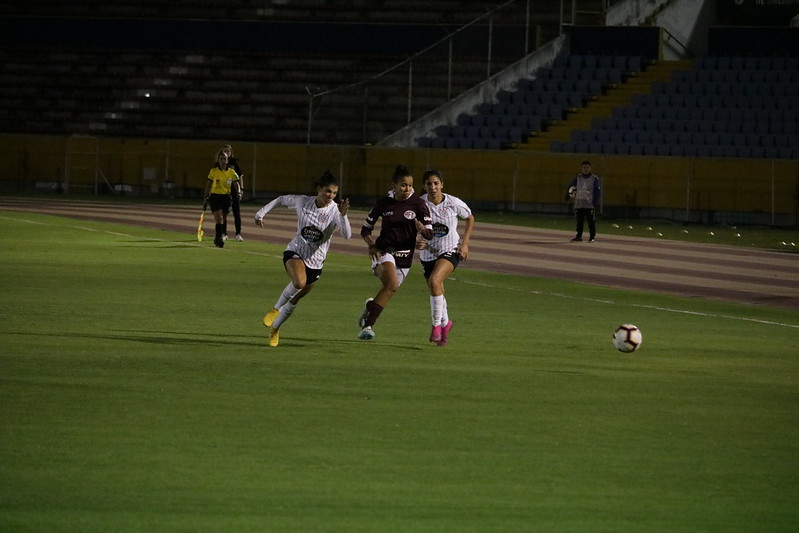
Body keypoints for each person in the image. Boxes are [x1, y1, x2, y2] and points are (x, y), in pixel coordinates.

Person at [255, 171, 351, 347]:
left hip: (316, 263)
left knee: (295, 299)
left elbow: (347, 235)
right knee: (299, 282)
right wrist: (260, 214)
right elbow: (280, 199)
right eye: (328, 191)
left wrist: (343, 216)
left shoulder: (336, 211)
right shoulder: (302, 201)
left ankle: (275, 329)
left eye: (334, 193)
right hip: (295, 252)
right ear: (318, 189)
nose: (331, 196)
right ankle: (275, 309)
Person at [357, 164, 433, 341]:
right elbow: (365, 230)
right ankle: (368, 327)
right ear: (394, 185)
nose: (407, 189)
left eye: (410, 185)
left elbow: (429, 234)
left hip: (405, 257)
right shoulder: (383, 204)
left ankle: (370, 307)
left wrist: (422, 230)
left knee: (390, 288)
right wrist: (371, 244)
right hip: (384, 252)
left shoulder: (419, 204)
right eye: (403, 185)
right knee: (391, 284)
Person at [416, 169, 474, 347]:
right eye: (428, 184)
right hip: (428, 253)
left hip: (450, 249)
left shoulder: (452, 202)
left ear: (442, 185)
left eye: (436, 183)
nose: (432, 187)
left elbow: (470, 218)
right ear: (424, 186)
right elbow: (412, 226)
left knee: (435, 280)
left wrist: (465, 243)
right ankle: (445, 324)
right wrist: (417, 241)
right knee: (437, 289)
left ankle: (435, 327)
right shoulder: (419, 204)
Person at [203, 150, 240, 248]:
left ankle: (218, 237)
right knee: (218, 219)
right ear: (218, 160)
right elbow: (208, 184)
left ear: (227, 160)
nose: (222, 160)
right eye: (221, 158)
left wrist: (239, 192)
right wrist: (206, 197)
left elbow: (236, 183)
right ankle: (218, 238)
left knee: (223, 218)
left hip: (226, 197)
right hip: (215, 196)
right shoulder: (213, 171)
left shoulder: (231, 172)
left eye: (224, 159)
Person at [567, 160, 601, 242]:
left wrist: (595, 202)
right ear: (582, 168)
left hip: (589, 204)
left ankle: (592, 237)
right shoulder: (578, 178)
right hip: (579, 203)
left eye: (587, 167)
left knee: (591, 222)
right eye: (584, 167)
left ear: (590, 168)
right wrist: (568, 196)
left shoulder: (594, 178)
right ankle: (579, 236)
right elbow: (572, 187)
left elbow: (597, 191)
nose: (585, 169)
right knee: (579, 221)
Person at [221, 144, 245, 242]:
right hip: (223, 191)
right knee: (224, 213)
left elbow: (240, 176)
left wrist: (241, 189)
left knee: (237, 213)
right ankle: (224, 233)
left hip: (234, 191)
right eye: (225, 151)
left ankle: (238, 234)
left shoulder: (234, 162)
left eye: (229, 151)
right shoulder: (220, 163)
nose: (227, 152)